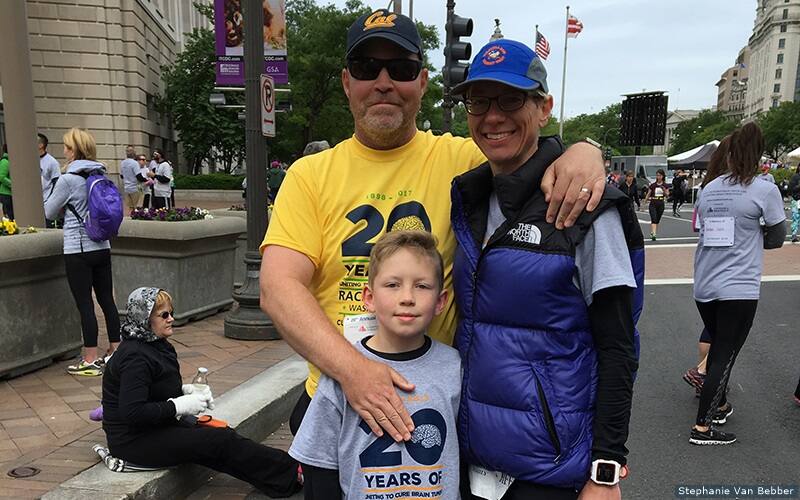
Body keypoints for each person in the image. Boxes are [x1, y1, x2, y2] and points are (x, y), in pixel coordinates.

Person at [260, 8, 606, 451]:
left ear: (422, 83)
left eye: (401, 69)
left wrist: (584, 149)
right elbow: (278, 287)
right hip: (339, 400)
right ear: (348, 83)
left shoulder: (464, 159)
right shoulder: (310, 175)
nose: (384, 82)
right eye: (368, 68)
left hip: (439, 400)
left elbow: (527, 146)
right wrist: (354, 371)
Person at [450, 38, 642, 499]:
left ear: (543, 107)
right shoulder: (470, 199)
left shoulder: (588, 208)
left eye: (512, 99)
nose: (493, 116)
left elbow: (618, 347)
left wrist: (606, 470)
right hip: (469, 459)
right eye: (479, 101)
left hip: (549, 471)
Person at [289, 231, 460, 499]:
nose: (407, 297)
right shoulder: (341, 373)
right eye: (392, 285)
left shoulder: (455, 367)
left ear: (440, 301)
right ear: (369, 297)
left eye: (422, 286)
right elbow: (319, 464)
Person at [101, 287, 302, 498]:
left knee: (221, 436)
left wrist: (185, 392)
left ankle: (282, 478)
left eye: (172, 312)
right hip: (134, 442)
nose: (171, 319)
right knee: (218, 442)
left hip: (153, 429)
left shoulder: (155, 345)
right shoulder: (135, 357)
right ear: (145, 319)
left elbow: (152, 390)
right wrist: (180, 405)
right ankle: (292, 472)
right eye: (164, 315)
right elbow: (132, 413)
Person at [689, 122, 785, 446]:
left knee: (719, 346)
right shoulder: (764, 190)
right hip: (739, 286)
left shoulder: (709, 188)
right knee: (724, 354)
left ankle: (721, 403)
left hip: (705, 284)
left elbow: (702, 230)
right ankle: (703, 426)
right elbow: (778, 236)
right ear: (758, 153)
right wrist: (755, 234)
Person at [44, 128, 120, 376]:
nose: (64, 151)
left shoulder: (68, 179)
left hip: (78, 249)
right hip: (103, 246)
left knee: (85, 304)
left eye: (66, 147)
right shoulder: (101, 174)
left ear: (74, 150)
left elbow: (49, 212)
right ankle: (115, 351)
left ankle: (89, 358)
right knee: (107, 300)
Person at [682, 137, 731, 398]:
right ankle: (704, 373)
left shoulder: (706, 190)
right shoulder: (740, 190)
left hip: (706, 270)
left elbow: (697, 226)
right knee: (727, 335)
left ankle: (706, 375)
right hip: (732, 272)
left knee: (712, 328)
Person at [39, 132, 62, 227]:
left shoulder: (52, 162)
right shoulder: (30, 159)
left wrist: (51, 202)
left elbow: (57, 183)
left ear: (41, 145)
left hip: (46, 203)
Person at [643, 169, 669, 241]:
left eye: (660, 175)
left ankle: (653, 232)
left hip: (660, 203)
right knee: (653, 218)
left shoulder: (665, 185)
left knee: (657, 219)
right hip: (653, 203)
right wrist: (644, 203)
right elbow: (648, 194)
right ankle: (654, 234)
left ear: (663, 176)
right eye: (657, 175)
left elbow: (667, 195)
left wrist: (664, 190)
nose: (658, 177)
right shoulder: (653, 185)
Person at [120, 145, 148, 210]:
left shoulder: (123, 163)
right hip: (135, 188)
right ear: (133, 152)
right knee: (138, 207)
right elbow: (138, 176)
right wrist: (146, 180)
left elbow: (121, 176)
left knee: (130, 208)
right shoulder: (134, 163)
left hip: (127, 188)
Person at [788, 165, 800, 243]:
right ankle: (794, 235)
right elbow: (791, 188)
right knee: (796, 217)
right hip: (796, 200)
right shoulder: (795, 177)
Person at [0, 144, 12, 220]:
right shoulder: (5, 161)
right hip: (5, 194)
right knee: (8, 216)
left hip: (8, 194)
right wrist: (13, 184)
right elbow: (1, 177)